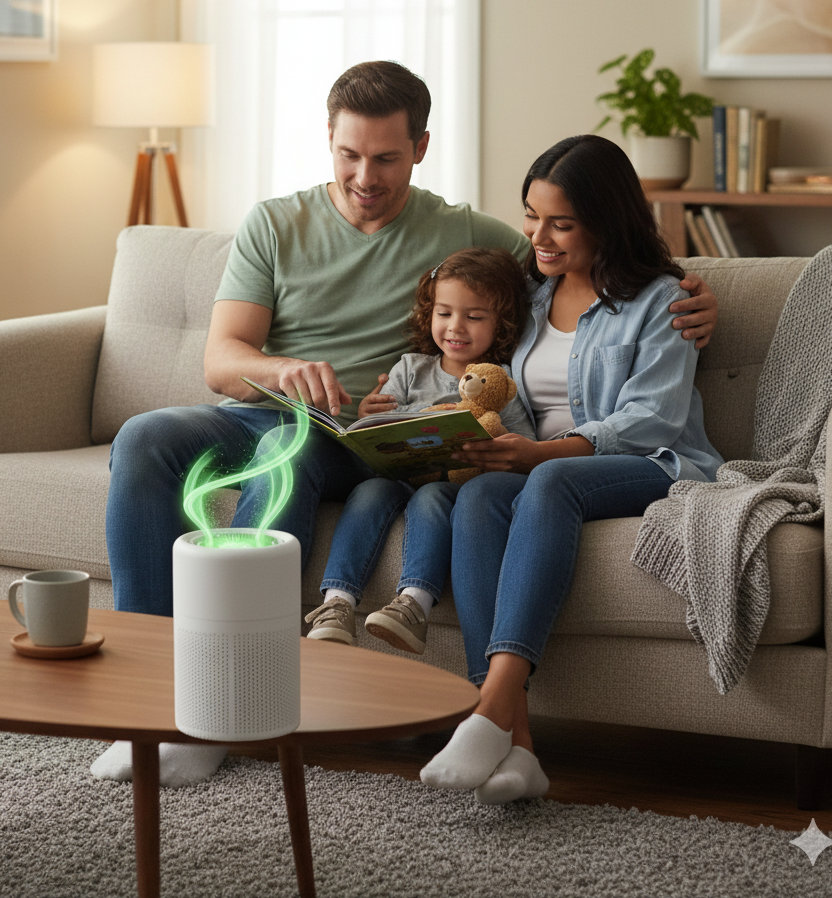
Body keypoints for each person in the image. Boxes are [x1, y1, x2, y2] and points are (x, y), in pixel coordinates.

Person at [96, 62, 719, 788]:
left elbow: (597, 260)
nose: (366, 175)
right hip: (275, 406)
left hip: (368, 441)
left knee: (286, 450)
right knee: (144, 437)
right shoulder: (276, 223)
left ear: (420, 148)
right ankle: (143, 704)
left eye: (387, 158)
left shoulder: (471, 238)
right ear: (328, 140)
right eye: (349, 154)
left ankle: (236, 697)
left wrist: (697, 287)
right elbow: (221, 360)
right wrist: (282, 370)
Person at [415, 134, 724, 806]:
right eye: (531, 215)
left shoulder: (663, 299)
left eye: (561, 222)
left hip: (650, 464)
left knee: (547, 479)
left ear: (606, 221)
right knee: (479, 498)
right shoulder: (524, 294)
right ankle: (519, 748)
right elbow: (483, 372)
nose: (539, 236)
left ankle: (487, 704)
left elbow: (652, 421)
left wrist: (539, 455)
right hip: (535, 464)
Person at [306, 247, 533, 654]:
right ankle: (336, 605)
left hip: (454, 486)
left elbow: (520, 448)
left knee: (431, 498)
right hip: (395, 474)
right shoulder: (410, 368)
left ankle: (413, 604)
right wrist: (365, 414)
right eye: (444, 313)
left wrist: (490, 445)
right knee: (368, 492)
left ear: (502, 325)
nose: (455, 327)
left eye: (475, 316)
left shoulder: (503, 383)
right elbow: (377, 422)